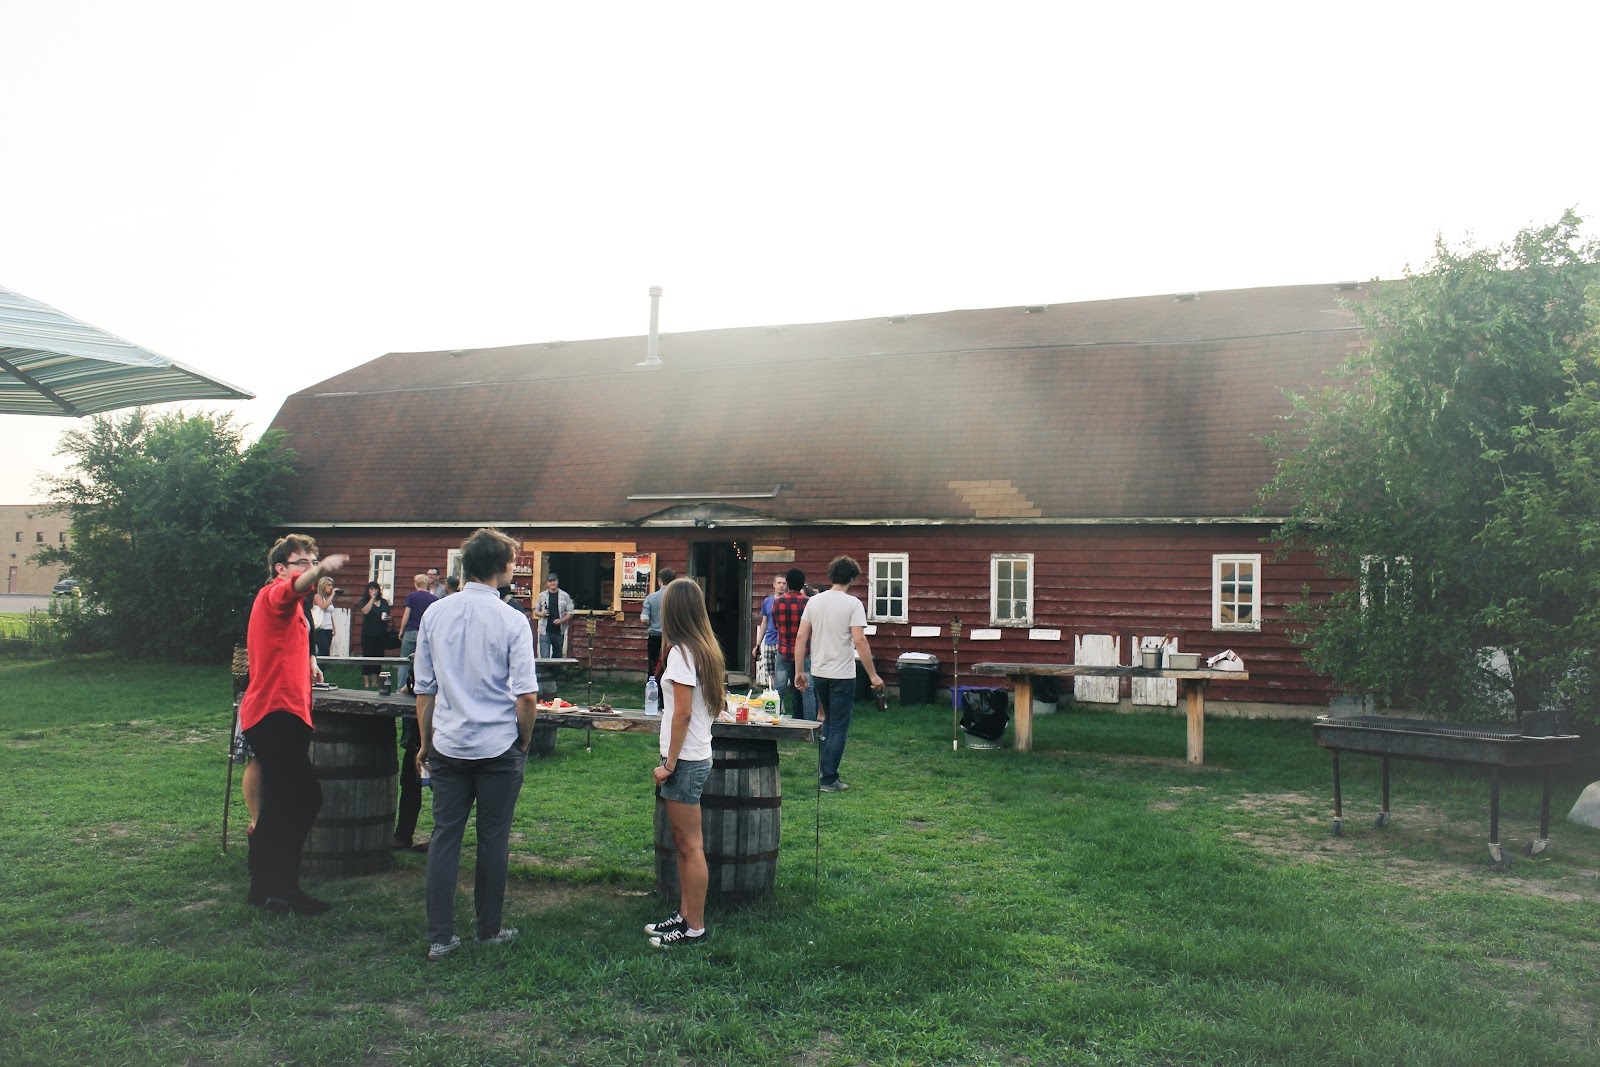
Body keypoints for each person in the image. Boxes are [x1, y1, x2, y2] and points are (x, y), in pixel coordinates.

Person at [415, 528, 539, 961]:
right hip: (498, 744)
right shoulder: (511, 619)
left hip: (448, 742)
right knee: (493, 839)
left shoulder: (434, 614)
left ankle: (440, 936)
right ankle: (488, 930)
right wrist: (523, 740)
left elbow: (425, 690)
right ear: (502, 567)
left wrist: (425, 741)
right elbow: (526, 695)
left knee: (445, 837)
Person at [239, 535, 348, 914]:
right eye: (301, 561)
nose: (308, 567)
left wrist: (310, 662)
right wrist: (319, 569)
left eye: (312, 559)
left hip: (282, 714)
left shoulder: (295, 611)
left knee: (282, 803)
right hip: (275, 714)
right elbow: (292, 590)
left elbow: (287, 643)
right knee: (303, 798)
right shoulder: (274, 595)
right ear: (281, 569)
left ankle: (265, 888)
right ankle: (282, 889)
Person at [644, 577, 724, 949]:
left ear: (672, 611)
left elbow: (683, 715)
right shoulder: (704, 649)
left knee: (690, 845)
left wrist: (670, 764)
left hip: (686, 760)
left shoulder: (681, 653)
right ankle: (684, 913)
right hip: (696, 755)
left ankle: (695, 927)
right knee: (682, 842)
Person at [794, 556, 885, 793]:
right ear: (853, 578)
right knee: (838, 727)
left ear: (831, 575)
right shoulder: (853, 604)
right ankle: (828, 779)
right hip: (842, 674)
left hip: (819, 671)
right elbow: (859, 640)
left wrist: (799, 671)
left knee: (828, 723)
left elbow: (801, 637)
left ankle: (826, 773)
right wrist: (873, 676)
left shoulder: (814, 602)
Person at [771, 568, 816, 720]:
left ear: (787, 584)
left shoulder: (777, 602)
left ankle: (772, 720)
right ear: (803, 584)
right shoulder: (809, 603)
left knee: (779, 690)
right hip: (804, 652)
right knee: (808, 690)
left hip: (783, 651)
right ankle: (810, 725)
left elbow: (776, 625)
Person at [397, 574, 438, 692]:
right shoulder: (433, 599)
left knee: (404, 661)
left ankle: (401, 688)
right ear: (427, 584)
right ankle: (422, 689)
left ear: (416, 584)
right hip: (425, 633)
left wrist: (401, 630)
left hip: (411, 631)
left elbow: (407, 614)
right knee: (425, 662)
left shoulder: (412, 596)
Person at [638, 566, 675, 676]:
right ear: (673, 581)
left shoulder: (651, 597)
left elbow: (644, 619)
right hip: (672, 638)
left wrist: (652, 624)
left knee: (653, 668)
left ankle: (652, 691)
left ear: (660, 580)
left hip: (654, 637)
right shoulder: (677, 598)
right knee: (670, 667)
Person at [750, 573, 786, 688]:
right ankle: (776, 698)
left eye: (784, 583)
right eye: (779, 583)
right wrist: (758, 644)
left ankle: (782, 701)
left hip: (783, 642)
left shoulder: (787, 601)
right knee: (772, 672)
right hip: (770, 640)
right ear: (774, 585)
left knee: (782, 672)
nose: (781, 585)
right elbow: (764, 623)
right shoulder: (767, 601)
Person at [357, 582, 391, 688]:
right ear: (368, 591)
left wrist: (387, 618)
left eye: (375, 589)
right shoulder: (364, 601)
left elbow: (389, 615)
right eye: (371, 589)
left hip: (380, 633)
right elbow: (365, 611)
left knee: (378, 657)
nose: (374, 591)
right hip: (368, 633)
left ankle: (375, 681)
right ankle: (366, 682)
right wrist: (372, 600)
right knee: (367, 656)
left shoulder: (383, 602)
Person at [534, 574, 574, 659]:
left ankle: (555, 672)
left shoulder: (565, 595)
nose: (552, 583)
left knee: (557, 657)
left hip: (559, 631)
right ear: (547, 583)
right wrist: (542, 614)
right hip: (544, 630)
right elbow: (535, 611)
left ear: (557, 581)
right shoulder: (542, 595)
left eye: (554, 580)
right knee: (544, 657)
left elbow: (570, 612)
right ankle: (546, 672)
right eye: (550, 581)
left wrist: (561, 620)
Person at [311, 577, 337, 657]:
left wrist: (333, 627)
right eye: (329, 585)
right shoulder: (318, 596)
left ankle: (322, 669)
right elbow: (323, 606)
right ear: (323, 585)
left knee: (327, 652)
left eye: (332, 585)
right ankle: (318, 668)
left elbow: (329, 613)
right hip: (320, 628)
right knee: (323, 651)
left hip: (328, 628)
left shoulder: (328, 598)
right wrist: (332, 595)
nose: (331, 587)